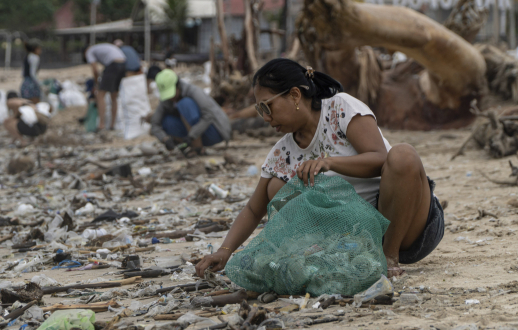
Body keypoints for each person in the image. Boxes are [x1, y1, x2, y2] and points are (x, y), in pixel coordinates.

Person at [195, 58, 444, 278]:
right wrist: (224, 251)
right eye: (260, 110)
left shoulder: (340, 108)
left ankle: (389, 259)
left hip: (408, 223)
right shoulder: (282, 153)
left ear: (294, 95)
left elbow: (381, 159)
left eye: (267, 106)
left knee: (404, 155)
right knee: (276, 186)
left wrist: (329, 162)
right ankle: (341, 256)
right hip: (358, 238)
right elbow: (253, 209)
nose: (265, 117)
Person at [150, 69, 231, 156]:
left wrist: (192, 135)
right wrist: (165, 139)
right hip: (196, 135)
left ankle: (197, 148)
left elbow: (208, 115)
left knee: (185, 104)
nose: (170, 98)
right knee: (166, 121)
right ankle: (187, 145)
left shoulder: (194, 91)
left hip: (215, 131)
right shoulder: (166, 101)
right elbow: (155, 124)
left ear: (178, 85)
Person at [83, 43, 126, 130]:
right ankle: (112, 125)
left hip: (113, 64)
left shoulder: (89, 51)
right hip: (123, 64)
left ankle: (101, 125)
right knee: (114, 96)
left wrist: (96, 84)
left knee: (100, 95)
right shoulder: (99, 47)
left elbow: (95, 70)